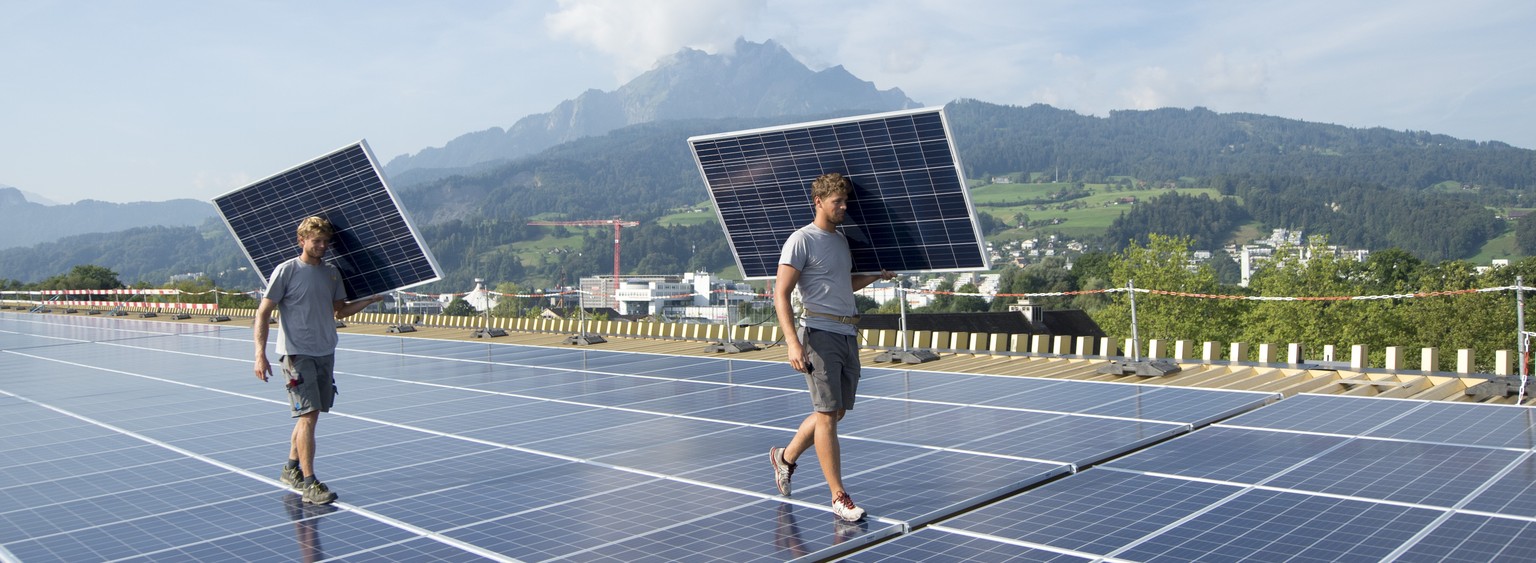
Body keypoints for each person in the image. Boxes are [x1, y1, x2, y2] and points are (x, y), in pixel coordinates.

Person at [769, 172, 894, 522]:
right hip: (819, 336)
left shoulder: (840, 241)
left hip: (847, 334)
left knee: (835, 412)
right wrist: (793, 343)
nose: (843, 207)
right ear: (818, 202)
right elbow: (780, 293)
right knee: (827, 415)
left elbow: (843, 284)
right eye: (837, 202)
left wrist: (874, 276)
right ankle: (839, 496)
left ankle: (785, 457)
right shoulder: (801, 240)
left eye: (845, 202)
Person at [254, 216, 383, 505]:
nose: (323, 246)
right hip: (296, 353)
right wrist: (259, 355)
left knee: (308, 416)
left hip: (325, 351)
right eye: (317, 241)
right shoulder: (286, 271)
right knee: (308, 415)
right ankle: (310, 483)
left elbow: (340, 310)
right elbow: (263, 313)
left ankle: (290, 469)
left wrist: (370, 300)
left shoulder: (332, 273)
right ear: (302, 241)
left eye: (326, 242)